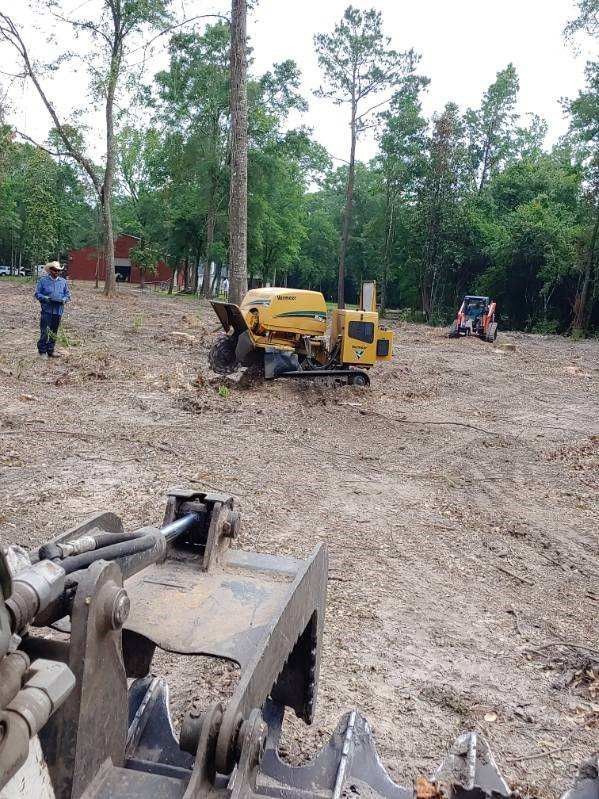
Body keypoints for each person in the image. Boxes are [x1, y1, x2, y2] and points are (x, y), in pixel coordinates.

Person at [34, 261, 71, 358]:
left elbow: (67, 295)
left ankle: (50, 350)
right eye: (54, 270)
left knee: (54, 331)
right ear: (50, 270)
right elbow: (37, 294)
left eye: (58, 270)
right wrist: (45, 298)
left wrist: (64, 299)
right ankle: (42, 351)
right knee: (45, 331)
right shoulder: (43, 281)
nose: (56, 272)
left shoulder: (63, 282)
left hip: (58, 311)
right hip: (47, 310)